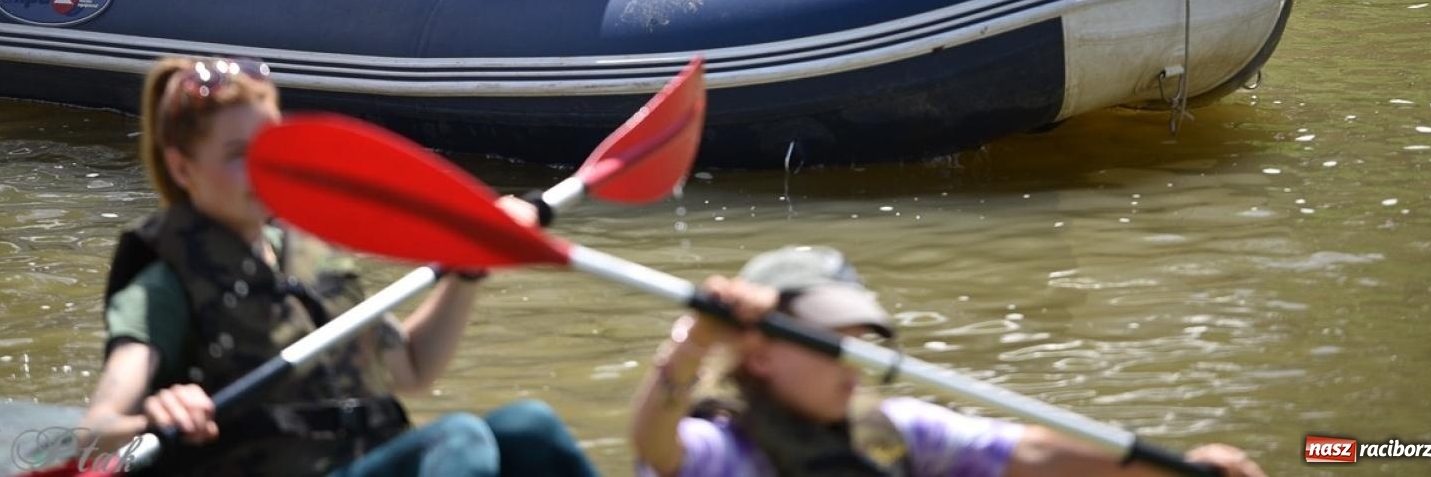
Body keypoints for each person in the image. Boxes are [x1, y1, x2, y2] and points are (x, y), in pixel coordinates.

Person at [80, 55, 599, 476]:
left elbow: (412, 367)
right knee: (457, 438)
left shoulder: (308, 255)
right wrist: (155, 413)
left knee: (530, 428)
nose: (260, 169)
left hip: (363, 460)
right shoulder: (162, 284)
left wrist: (468, 267)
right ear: (181, 166)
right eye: (238, 153)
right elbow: (95, 431)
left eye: (269, 147)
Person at [631, 246, 1268, 477]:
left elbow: (1031, 456)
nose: (853, 367)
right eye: (833, 345)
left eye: (861, 344)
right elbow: (656, 449)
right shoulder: (725, 453)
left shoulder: (898, 433)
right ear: (760, 355)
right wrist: (694, 343)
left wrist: (1178, 472)